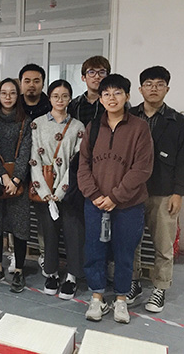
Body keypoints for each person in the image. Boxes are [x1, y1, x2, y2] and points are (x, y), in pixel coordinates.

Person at [78, 74, 153, 324]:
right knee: (94, 250)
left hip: (128, 205)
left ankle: (121, 299)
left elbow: (142, 168)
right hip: (95, 204)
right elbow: (83, 165)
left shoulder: (139, 128)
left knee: (124, 252)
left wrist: (115, 197)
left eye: (118, 93)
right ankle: (97, 297)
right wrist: (95, 195)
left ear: (127, 96)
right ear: (100, 98)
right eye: (107, 94)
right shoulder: (93, 127)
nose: (112, 98)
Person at [127, 66, 184, 313]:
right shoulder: (128, 116)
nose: (154, 88)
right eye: (149, 84)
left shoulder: (178, 121)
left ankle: (160, 287)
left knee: (163, 245)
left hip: (163, 191)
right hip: (131, 191)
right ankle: (133, 283)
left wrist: (178, 193)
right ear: (140, 89)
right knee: (131, 241)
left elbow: (182, 160)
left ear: (167, 89)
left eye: (159, 84)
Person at [29, 80, 85, 299]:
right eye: (55, 96)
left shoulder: (78, 127)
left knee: (73, 233)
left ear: (70, 98)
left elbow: (77, 162)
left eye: (64, 96)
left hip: (69, 191)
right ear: (49, 98)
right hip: (44, 189)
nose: (60, 100)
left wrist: (61, 191)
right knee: (49, 233)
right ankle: (51, 273)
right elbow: (34, 159)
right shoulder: (37, 124)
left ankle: (72, 276)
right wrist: (45, 192)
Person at [0, 78, 32, 293]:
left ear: (17, 95)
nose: (8, 97)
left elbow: (26, 152)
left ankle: (19, 270)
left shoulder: (26, 121)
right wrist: (3, 176)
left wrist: (16, 179)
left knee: (20, 228)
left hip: (18, 183)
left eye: (12, 93)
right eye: (4, 93)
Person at [19, 63, 50, 275]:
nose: (32, 85)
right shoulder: (14, 106)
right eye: (27, 81)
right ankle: (15, 252)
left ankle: (44, 254)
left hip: (44, 170)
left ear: (42, 84)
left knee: (43, 216)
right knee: (17, 214)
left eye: (36, 81)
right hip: (19, 170)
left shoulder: (50, 107)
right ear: (21, 83)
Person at [67, 56, 111, 127]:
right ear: (83, 77)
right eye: (92, 72)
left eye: (102, 72)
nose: (97, 76)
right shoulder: (74, 104)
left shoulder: (113, 102)